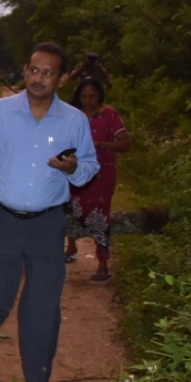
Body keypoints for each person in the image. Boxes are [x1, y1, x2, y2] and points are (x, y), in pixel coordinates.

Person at [0, 42, 100, 382]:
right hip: (2, 219)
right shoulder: (1, 113)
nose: (39, 78)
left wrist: (73, 169)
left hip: (47, 226)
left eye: (48, 72)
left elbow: (89, 167)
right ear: (25, 71)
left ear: (61, 79)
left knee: (42, 309)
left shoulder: (74, 121)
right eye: (34, 70)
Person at [63, 78, 131, 281]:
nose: (88, 101)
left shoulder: (109, 115)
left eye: (92, 96)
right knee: (70, 207)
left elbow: (125, 144)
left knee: (100, 215)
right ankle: (71, 246)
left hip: (102, 175)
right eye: (84, 96)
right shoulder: (73, 115)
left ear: (99, 95)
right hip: (75, 171)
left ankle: (103, 262)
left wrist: (100, 144)